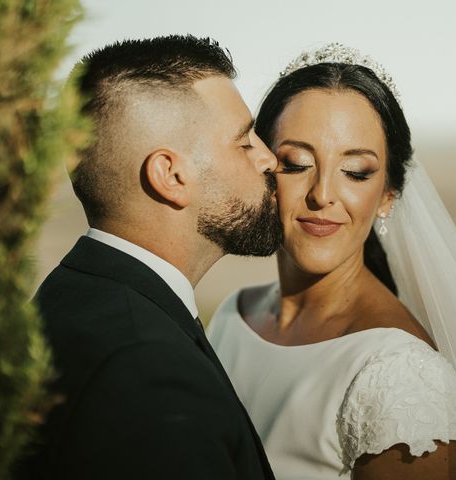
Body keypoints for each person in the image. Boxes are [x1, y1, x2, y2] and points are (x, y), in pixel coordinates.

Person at [208, 43, 456, 479]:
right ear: (263, 170)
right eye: (297, 163)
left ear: (387, 196)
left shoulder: (403, 377)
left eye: (356, 172)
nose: (322, 194)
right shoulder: (234, 316)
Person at [19, 35, 280, 480]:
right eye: (244, 143)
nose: (269, 159)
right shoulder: (148, 372)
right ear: (171, 175)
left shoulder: (71, 294)